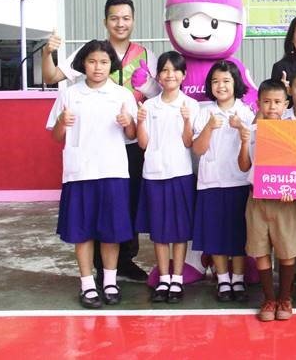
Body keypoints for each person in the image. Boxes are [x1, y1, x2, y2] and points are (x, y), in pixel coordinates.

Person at [42, 0, 158, 282]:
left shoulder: (146, 55)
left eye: (126, 18)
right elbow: (53, 76)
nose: (121, 23)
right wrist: (48, 52)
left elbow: (159, 92)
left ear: (133, 20)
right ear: (105, 21)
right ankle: (95, 268)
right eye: (115, 18)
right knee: (91, 209)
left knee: (125, 204)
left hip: (129, 140)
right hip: (92, 143)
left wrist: (145, 96)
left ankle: (124, 261)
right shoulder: (90, 52)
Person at [46, 40, 137, 308]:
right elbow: (55, 136)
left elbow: (132, 136)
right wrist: (63, 123)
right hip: (80, 172)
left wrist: (128, 123)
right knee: (82, 232)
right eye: (92, 61)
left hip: (113, 171)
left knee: (111, 231)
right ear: (83, 63)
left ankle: (109, 281)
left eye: (104, 62)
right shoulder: (70, 94)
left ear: (112, 65)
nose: (98, 67)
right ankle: (87, 284)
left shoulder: (122, 95)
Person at [134, 51, 199, 303]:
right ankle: (163, 278)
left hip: (180, 174)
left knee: (180, 231)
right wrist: (140, 122)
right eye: (164, 70)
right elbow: (142, 144)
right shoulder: (149, 106)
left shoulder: (190, 105)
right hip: (153, 174)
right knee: (159, 232)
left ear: (183, 75)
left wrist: (185, 121)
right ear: (158, 76)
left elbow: (189, 143)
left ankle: (177, 279)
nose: (169, 74)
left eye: (175, 70)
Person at [192, 60, 255, 302]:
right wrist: (209, 127)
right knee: (216, 235)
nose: (221, 86)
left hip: (237, 183)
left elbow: (247, 160)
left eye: (226, 81)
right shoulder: (203, 111)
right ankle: (223, 280)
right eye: (216, 81)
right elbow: (197, 149)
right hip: (210, 183)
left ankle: (237, 280)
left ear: (235, 83)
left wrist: (242, 131)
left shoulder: (246, 113)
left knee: (237, 236)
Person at [242, 80, 296, 322]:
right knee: (260, 250)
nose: (272, 107)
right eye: (266, 102)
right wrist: (243, 140)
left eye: (277, 102)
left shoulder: (295, 132)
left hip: (285, 201)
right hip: (256, 198)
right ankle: (269, 298)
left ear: (286, 104)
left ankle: (285, 298)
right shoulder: (253, 131)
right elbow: (244, 166)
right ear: (258, 104)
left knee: (287, 250)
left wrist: (295, 189)